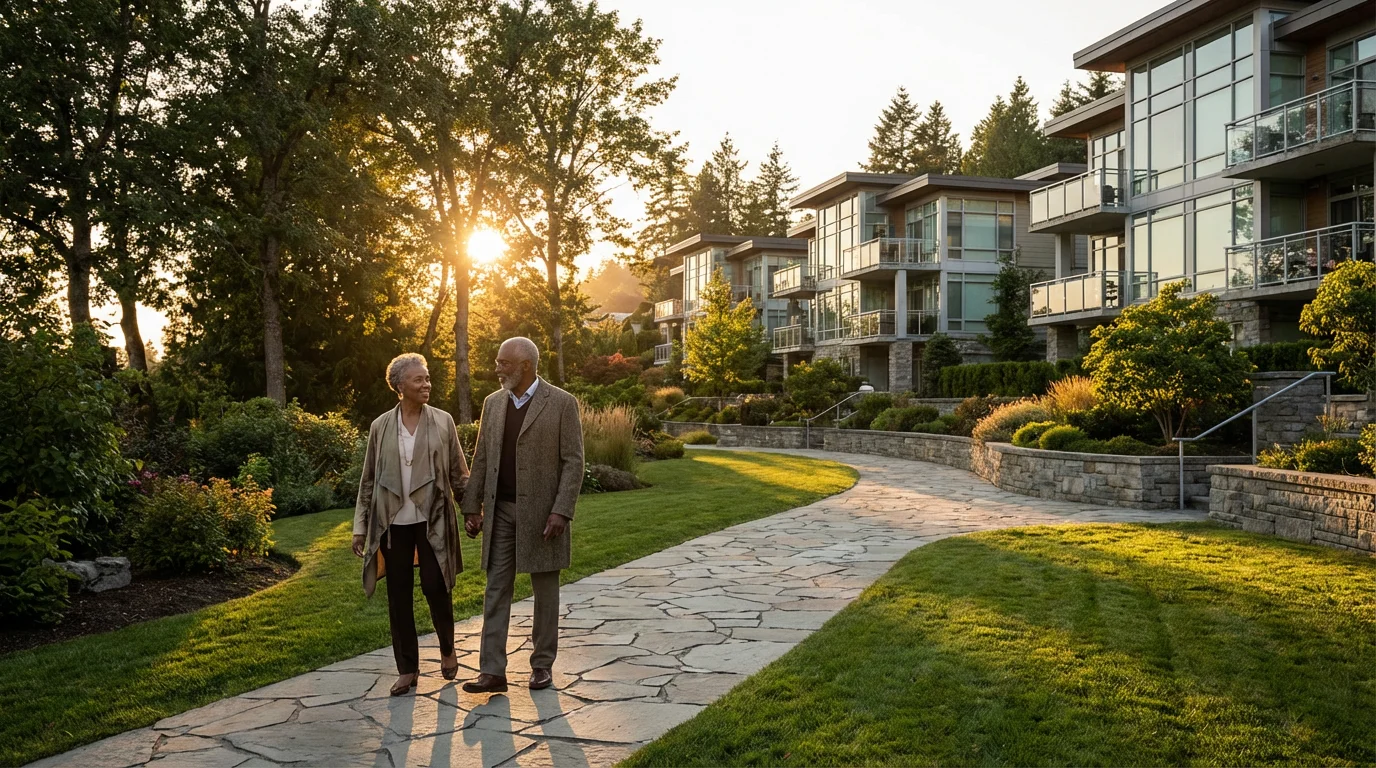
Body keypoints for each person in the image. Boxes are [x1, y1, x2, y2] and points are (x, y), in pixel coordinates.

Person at [460, 337, 584, 693]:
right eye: (498, 363)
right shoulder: (493, 403)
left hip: (543, 515)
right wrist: (472, 506)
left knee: (545, 590)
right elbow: (482, 457)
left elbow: (573, 462)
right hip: (501, 511)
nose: (497, 369)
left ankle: (542, 666)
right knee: (496, 587)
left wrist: (561, 511)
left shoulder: (561, 403)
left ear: (525, 366)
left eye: (503, 363)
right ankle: (492, 671)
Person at [352, 353, 468, 696]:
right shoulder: (380, 426)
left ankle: (447, 648)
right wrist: (361, 526)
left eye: (428, 378)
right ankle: (407, 669)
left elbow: (459, 473)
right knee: (398, 594)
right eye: (419, 380)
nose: (426, 384)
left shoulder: (444, 421)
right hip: (392, 522)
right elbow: (368, 480)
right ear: (400, 386)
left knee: (436, 585)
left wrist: (472, 510)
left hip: (431, 518)